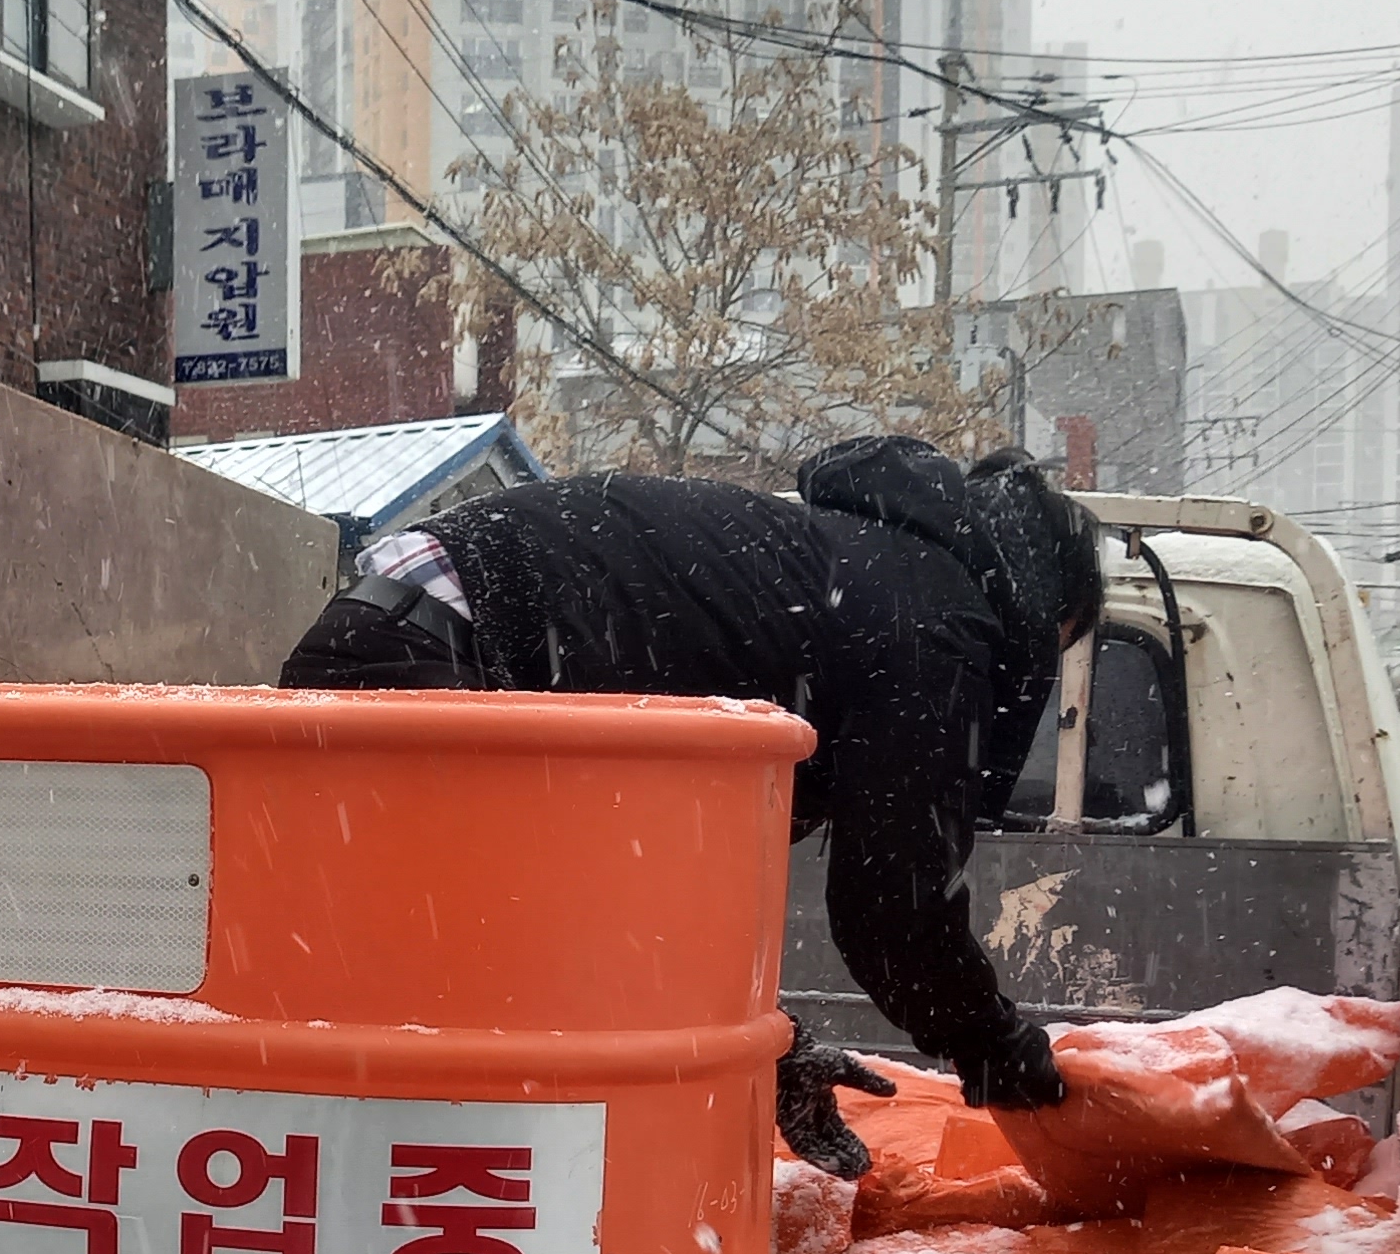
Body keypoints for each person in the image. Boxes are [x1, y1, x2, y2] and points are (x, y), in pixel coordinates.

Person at [276, 437, 1105, 1174]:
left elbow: (643, 896)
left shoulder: (841, 577)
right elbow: (894, 902)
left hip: (397, 629)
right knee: (460, 1012)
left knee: (406, 1001)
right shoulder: (934, 618)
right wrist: (996, 1047)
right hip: (436, 651)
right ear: (1046, 607)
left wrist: (767, 1044)